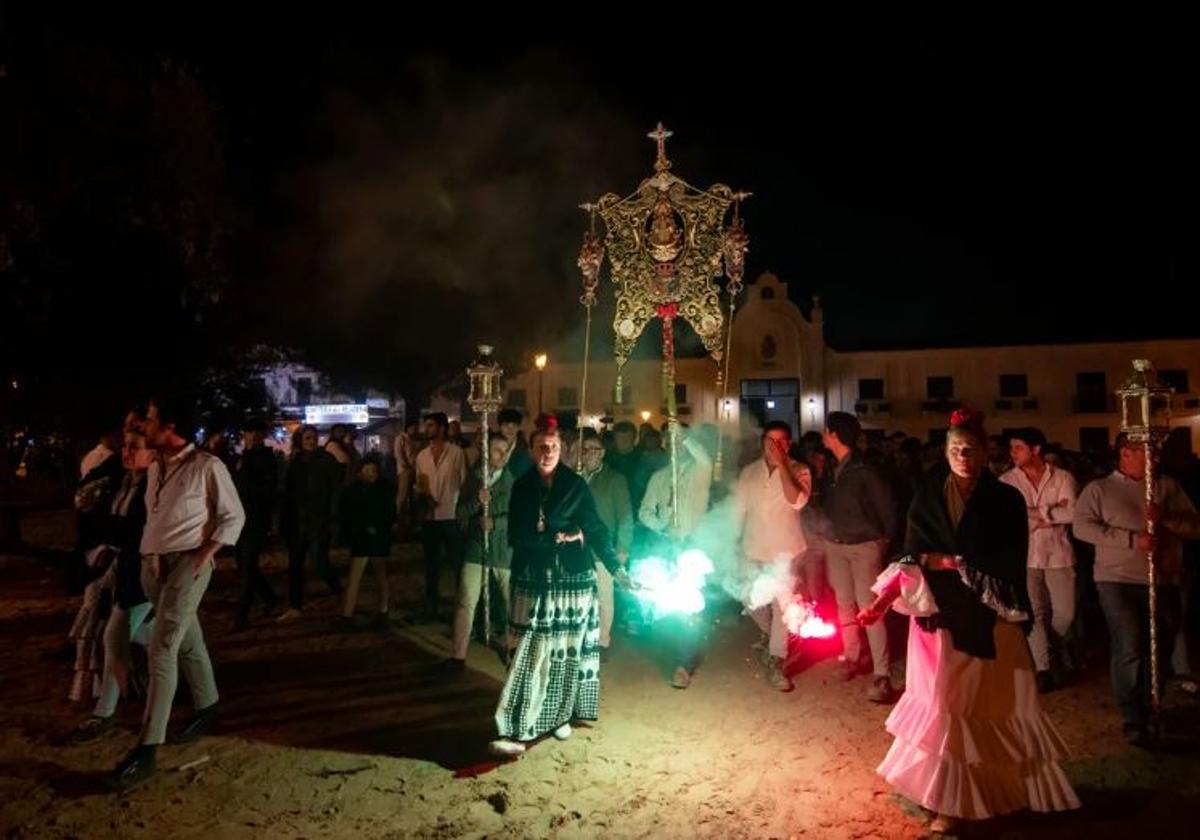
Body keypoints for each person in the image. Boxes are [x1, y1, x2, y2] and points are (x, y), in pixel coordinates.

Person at [860, 409, 1079, 833]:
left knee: (978, 709)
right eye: (955, 448)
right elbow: (910, 551)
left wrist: (965, 568)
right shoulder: (926, 492)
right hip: (936, 618)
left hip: (988, 620)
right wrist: (906, 582)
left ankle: (988, 793)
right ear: (945, 452)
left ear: (984, 453)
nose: (963, 455)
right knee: (943, 709)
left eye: (971, 448)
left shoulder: (1005, 499)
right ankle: (943, 800)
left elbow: (1010, 561)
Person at [107, 395, 245, 791]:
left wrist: (204, 555)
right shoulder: (156, 467)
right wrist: (152, 556)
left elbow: (234, 516)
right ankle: (208, 704)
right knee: (187, 640)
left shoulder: (207, 466)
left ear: (170, 427)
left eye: (149, 421)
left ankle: (147, 748)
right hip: (156, 566)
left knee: (162, 648)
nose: (143, 428)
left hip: (188, 564)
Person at [489, 416, 624, 757]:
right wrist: (556, 538)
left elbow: (594, 527)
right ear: (532, 450)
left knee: (566, 653)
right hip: (533, 579)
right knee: (528, 654)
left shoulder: (576, 485)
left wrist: (615, 567)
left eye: (554, 447)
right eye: (542, 447)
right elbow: (517, 535)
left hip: (572, 582)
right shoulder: (521, 487)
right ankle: (517, 727)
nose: (548, 452)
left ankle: (559, 715)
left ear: (562, 449)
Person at [1073, 432, 1200, 746]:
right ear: (1125, 453)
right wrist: (1132, 540)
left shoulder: (1166, 487)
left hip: (1163, 579)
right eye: (1149, 452)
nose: (1156, 459)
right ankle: (1133, 716)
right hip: (1117, 581)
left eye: (1157, 453)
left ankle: (1153, 703)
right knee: (1130, 646)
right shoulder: (1099, 489)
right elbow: (1083, 527)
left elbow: (1195, 527)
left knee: (1160, 646)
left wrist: (1166, 517)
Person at [67, 427, 154, 744]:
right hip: (122, 570)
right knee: (170, 641)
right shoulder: (122, 480)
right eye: (125, 446)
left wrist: (108, 529)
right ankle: (202, 698)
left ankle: (104, 713)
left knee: (113, 637)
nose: (127, 453)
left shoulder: (153, 485)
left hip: (145, 574)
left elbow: (134, 530)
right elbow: (93, 513)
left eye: (135, 447)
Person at [822, 411, 898, 702]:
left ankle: (881, 673)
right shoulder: (833, 468)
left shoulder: (865, 470)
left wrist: (882, 542)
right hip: (836, 545)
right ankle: (851, 655)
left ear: (835, 434)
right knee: (844, 604)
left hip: (864, 546)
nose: (824, 436)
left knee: (870, 607)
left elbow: (888, 508)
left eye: (827, 432)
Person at [733, 421, 811, 691]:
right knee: (749, 600)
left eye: (780, 441)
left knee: (782, 609)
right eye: (769, 440)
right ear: (762, 442)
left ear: (788, 444)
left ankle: (776, 661)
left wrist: (783, 465)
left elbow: (796, 500)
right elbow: (738, 511)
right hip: (753, 549)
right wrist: (731, 541)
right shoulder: (749, 472)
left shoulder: (800, 470)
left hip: (786, 552)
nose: (774, 446)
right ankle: (772, 638)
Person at [1000, 426, 1078, 692]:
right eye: (1012, 448)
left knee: (1066, 613)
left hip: (1059, 553)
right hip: (1026, 555)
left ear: (1036, 450)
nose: (1013, 453)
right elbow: (1009, 518)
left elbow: (1073, 513)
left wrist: (1034, 515)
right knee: (1035, 613)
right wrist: (1051, 514)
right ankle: (1043, 668)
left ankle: (1052, 650)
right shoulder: (1007, 481)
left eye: (1019, 447)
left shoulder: (1063, 477)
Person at [445, 434, 514, 670]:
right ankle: (458, 655)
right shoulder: (475, 480)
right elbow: (460, 513)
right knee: (466, 601)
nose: (502, 455)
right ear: (487, 452)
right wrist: (477, 500)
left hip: (503, 550)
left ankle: (513, 649)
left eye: (506, 451)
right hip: (476, 548)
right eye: (497, 450)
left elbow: (519, 517)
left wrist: (496, 523)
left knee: (511, 602)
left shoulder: (513, 481)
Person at [277, 424, 343, 621]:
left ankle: (337, 588)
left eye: (314, 437)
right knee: (295, 564)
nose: (312, 441)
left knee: (319, 561)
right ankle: (295, 606)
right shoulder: (293, 462)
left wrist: (334, 517)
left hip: (319, 520)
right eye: (307, 438)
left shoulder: (326, 460)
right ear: (300, 440)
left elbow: (336, 490)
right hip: (296, 521)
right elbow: (285, 492)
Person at [578, 428, 634, 658]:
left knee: (604, 597)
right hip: (577, 549)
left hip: (603, 548)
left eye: (595, 449)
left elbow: (626, 516)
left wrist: (622, 547)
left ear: (602, 453)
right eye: (585, 450)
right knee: (581, 596)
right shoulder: (574, 478)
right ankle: (582, 637)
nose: (589, 454)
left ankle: (602, 641)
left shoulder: (615, 479)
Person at [414, 412, 467, 620]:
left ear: (442, 428)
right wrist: (423, 497)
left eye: (430, 425)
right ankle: (431, 607)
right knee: (431, 566)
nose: (426, 429)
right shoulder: (422, 456)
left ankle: (462, 607)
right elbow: (420, 484)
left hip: (451, 516)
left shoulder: (456, 453)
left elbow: (464, 483)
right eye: (426, 425)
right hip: (430, 518)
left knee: (457, 565)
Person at [232, 417, 280, 630]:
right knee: (243, 565)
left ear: (262, 436)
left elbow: (267, 491)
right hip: (238, 519)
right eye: (248, 432)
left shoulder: (266, 459)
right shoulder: (243, 457)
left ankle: (241, 615)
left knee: (248, 567)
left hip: (255, 519)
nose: (251, 436)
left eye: (256, 433)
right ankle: (269, 598)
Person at [339, 457, 397, 629]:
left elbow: (390, 513)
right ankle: (347, 615)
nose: (371, 474)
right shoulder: (353, 490)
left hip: (378, 537)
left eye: (374, 471)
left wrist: (378, 527)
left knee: (380, 575)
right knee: (355, 576)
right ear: (360, 472)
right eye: (368, 471)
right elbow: (348, 514)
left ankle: (382, 611)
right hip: (362, 537)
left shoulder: (385, 488)